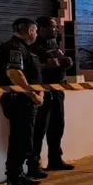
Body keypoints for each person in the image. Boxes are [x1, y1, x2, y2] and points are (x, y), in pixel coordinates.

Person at [0, 18, 45, 185]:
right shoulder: (14, 48)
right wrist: (33, 95)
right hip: (19, 101)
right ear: (30, 30)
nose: (36, 34)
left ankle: (20, 176)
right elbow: (14, 73)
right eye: (35, 31)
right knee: (19, 142)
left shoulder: (23, 48)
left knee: (24, 141)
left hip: (25, 102)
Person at [32, 16, 75, 173]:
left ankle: (55, 159)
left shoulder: (54, 44)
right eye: (53, 27)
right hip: (44, 93)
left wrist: (66, 62)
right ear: (42, 29)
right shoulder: (34, 47)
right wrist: (45, 66)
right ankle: (34, 163)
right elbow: (31, 70)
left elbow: (59, 60)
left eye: (56, 27)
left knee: (57, 126)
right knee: (40, 129)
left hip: (57, 91)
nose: (56, 30)